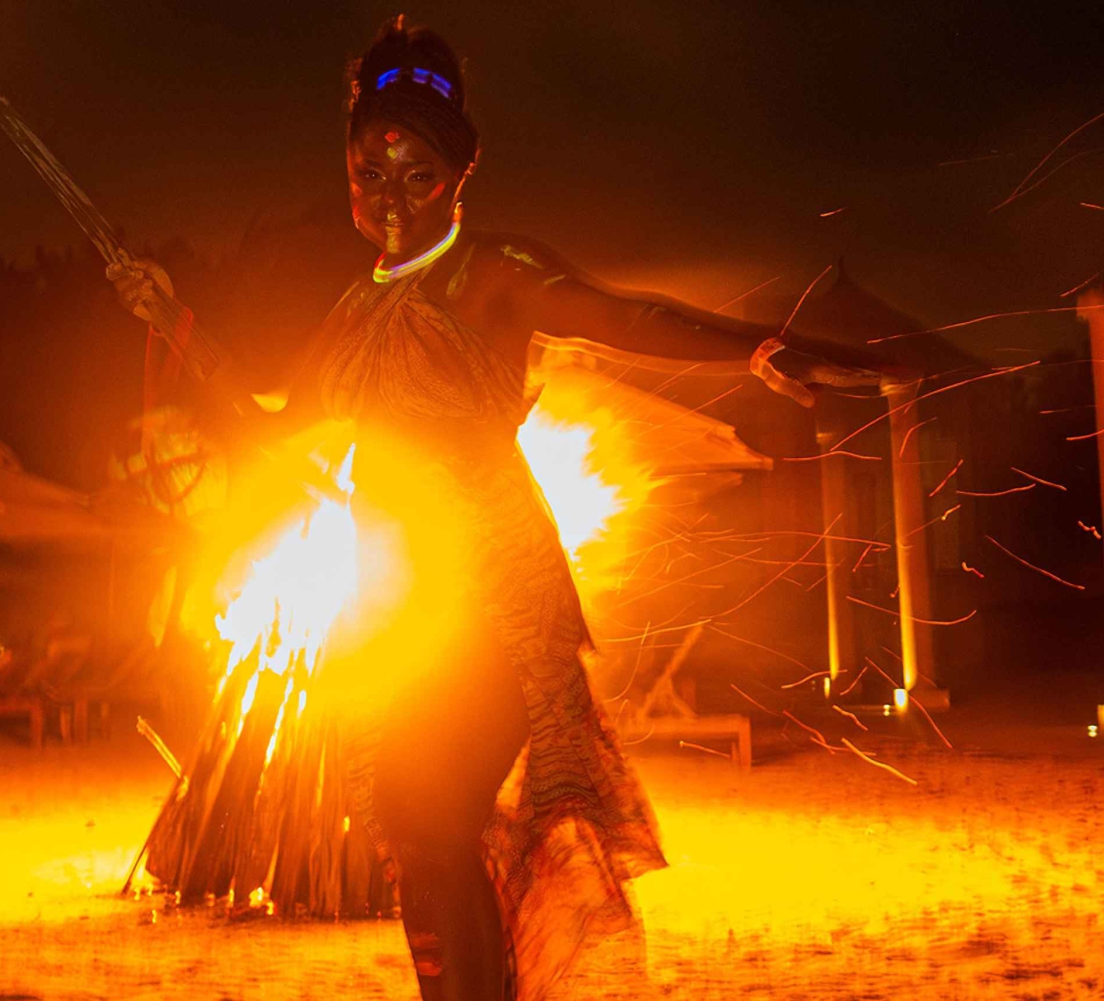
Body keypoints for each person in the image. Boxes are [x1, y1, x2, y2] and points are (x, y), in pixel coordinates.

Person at [114, 18, 875, 1001]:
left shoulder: (495, 272)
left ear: (460, 174)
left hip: (495, 591)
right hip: (399, 602)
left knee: (430, 815)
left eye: (416, 175)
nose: (389, 198)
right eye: (367, 176)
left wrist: (755, 347)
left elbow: (620, 312)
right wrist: (171, 320)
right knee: (414, 829)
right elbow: (280, 420)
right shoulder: (355, 309)